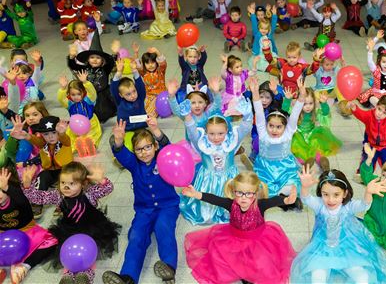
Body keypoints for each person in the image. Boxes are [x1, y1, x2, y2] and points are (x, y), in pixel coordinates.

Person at [182, 172, 297, 283]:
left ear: (256, 194)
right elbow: (215, 199)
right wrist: (196, 194)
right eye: (239, 193)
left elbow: (274, 200)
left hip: (257, 241)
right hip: (234, 239)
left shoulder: (260, 205)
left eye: (248, 193)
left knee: (261, 264)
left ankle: (250, 273)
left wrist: (287, 200)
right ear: (234, 192)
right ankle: (241, 270)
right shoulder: (230, 204)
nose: (243, 197)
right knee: (225, 257)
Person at [103, 118, 179, 284]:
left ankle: (169, 268)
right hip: (144, 209)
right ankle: (128, 277)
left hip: (168, 206)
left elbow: (169, 148)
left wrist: (157, 131)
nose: (144, 152)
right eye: (139, 149)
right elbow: (121, 153)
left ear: (155, 146)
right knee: (137, 236)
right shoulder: (134, 164)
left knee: (163, 229)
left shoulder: (162, 158)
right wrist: (118, 140)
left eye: (148, 147)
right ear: (135, 152)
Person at [291, 166, 386, 283]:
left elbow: (364, 205)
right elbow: (306, 199)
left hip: (346, 246)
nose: (330, 200)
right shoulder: (319, 205)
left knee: (362, 278)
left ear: (345, 193)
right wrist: (305, 187)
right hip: (322, 248)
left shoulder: (348, 206)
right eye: (325, 194)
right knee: (317, 279)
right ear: (320, 193)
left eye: (336, 195)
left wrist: (368, 193)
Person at [22, 162, 120, 283]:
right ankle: (67, 273)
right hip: (69, 228)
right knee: (66, 248)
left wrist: (102, 180)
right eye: (63, 183)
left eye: (72, 183)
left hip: (92, 228)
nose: (66, 187)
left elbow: (107, 189)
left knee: (86, 250)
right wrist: (27, 186)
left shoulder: (89, 193)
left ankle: (86, 274)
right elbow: (38, 197)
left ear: (83, 184)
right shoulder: (58, 196)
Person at [179, 98, 253, 225]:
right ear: (206, 132)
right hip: (207, 180)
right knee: (204, 213)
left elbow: (244, 129)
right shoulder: (202, 142)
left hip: (229, 179)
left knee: (237, 210)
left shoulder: (231, 141)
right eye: (211, 134)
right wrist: (187, 116)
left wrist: (247, 116)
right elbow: (192, 132)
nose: (216, 137)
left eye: (220, 133)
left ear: (227, 132)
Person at [250, 77, 303, 208]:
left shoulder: (289, 131)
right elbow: (258, 110)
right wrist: (255, 92)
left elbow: (296, 111)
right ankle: (276, 196)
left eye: (278, 127)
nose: (274, 130)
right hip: (265, 168)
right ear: (265, 125)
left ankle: (284, 196)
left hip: (286, 167)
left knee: (292, 188)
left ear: (285, 126)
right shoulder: (262, 131)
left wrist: (302, 94)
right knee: (259, 191)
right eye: (271, 126)